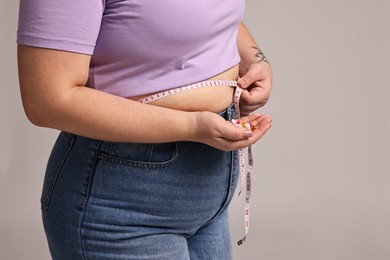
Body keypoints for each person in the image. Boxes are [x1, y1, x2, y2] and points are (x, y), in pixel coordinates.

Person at [17, 0, 272, 259]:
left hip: (211, 195)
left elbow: (204, 16)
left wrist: (253, 60)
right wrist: (191, 125)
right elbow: (46, 101)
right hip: (122, 209)